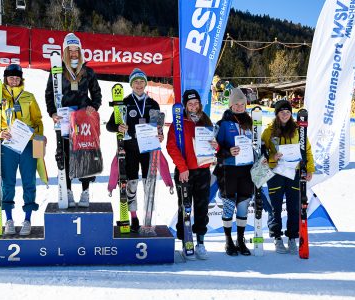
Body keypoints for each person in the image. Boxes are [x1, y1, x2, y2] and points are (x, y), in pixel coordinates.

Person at [0, 64, 44, 236]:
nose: (14, 80)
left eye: (17, 77)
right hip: (7, 147)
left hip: (27, 146)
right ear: (6, 78)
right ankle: (8, 219)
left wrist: (37, 140)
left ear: (21, 78)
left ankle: (27, 219)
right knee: (7, 182)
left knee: (29, 182)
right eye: (11, 77)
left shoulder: (29, 97)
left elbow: (38, 121)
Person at [45, 33, 102, 208]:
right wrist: (53, 113)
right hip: (65, 119)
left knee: (84, 154)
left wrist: (94, 106)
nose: (74, 54)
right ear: (65, 52)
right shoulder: (58, 71)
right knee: (66, 154)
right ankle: (67, 191)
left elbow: (97, 94)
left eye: (76, 50)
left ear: (80, 51)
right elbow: (49, 94)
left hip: (83, 119)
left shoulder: (88, 72)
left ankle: (85, 192)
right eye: (70, 51)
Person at [106, 68, 163, 232]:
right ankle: (134, 217)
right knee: (131, 183)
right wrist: (119, 126)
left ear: (145, 83)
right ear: (131, 84)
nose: (139, 85)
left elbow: (159, 127)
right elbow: (110, 126)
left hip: (148, 150)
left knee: (148, 183)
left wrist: (160, 136)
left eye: (141, 81)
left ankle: (148, 215)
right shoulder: (124, 102)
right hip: (130, 149)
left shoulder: (153, 103)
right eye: (136, 82)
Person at [166, 89, 218, 260]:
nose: (193, 106)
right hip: (185, 172)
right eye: (190, 104)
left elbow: (215, 148)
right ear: (185, 105)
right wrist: (182, 168)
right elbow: (171, 147)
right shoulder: (179, 122)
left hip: (203, 171)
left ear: (200, 104)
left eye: (196, 103)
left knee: (202, 207)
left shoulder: (206, 121)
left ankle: (200, 242)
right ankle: (186, 241)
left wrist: (215, 146)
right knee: (185, 207)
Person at [261, 99, 315, 254]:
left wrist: (309, 168)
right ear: (276, 114)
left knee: (293, 207)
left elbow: (307, 150)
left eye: (288, 112)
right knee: (275, 207)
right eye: (282, 112)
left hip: (294, 173)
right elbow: (262, 155)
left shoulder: (298, 130)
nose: (285, 115)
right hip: (275, 174)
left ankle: (292, 237)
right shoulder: (268, 131)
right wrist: (273, 157)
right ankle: (277, 237)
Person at [214, 87, 254, 256]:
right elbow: (215, 149)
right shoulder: (222, 124)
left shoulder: (250, 122)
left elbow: (255, 144)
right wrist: (228, 152)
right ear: (230, 105)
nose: (239, 107)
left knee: (243, 204)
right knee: (229, 205)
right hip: (228, 169)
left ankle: (240, 240)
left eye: (242, 104)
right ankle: (228, 241)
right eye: (236, 104)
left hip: (246, 169)